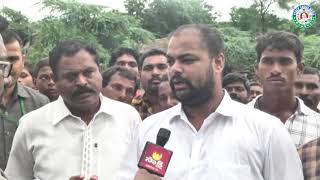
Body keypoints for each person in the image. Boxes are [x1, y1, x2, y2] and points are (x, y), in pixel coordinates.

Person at [116, 24, 303, 180]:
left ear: (218, 62)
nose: (175, 69)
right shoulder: (149, 129)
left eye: (187, 60)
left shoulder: (267, 131)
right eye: (171, 61)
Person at [5, 40, 141, 179]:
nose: (82, 82)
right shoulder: (31, 125)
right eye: (71, 76)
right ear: (56, 80)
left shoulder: (128, 117)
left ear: (100, 71)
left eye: (88, 73)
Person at [248, 31, 320, 147]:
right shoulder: (236, 121)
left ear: (299, 69)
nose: (275, 70)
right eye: (268, 61)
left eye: (285, 62)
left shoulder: (317, 125)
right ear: (257, 69)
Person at [0, 30, 49, 169]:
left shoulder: (40, 103)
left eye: (13, 59)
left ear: (23, 59)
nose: (6, 66)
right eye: (1, 60)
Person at [132, 49, 169, 119]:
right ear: (139, 75)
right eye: (148, 68)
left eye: (161, 67)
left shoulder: (185, 105)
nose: (155, 72)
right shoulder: (131, 109)